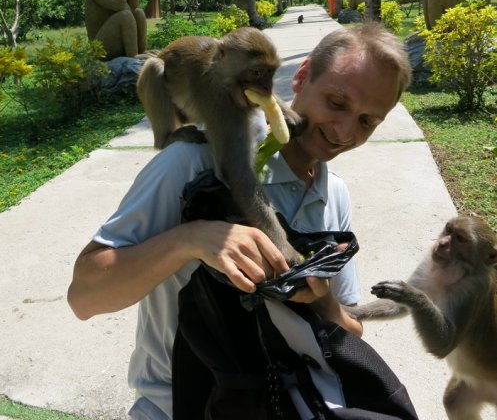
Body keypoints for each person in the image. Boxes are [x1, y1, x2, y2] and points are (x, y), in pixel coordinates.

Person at [68, 22, 412, 420]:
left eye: (367, 122)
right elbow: (84, 297)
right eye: (336, 102)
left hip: (284, 406)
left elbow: (348, 332)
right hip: (179, 407)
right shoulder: (188, 164)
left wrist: (322, 299)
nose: (344, 131)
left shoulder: (333, 193)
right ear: (300, 77)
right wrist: (191, 239)